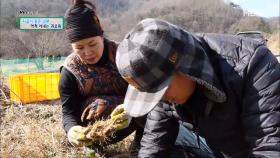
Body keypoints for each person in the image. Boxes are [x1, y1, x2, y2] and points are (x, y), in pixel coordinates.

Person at [112, 18, 280, 157]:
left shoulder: (254, 65)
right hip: (214, 145)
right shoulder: (162, 82)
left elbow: (270, 147)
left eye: (160, 91)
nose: (161, 99)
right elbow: (155, 141)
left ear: (184, 67)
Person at [59, 0, 131, 147]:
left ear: (101, 36)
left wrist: (131, 109)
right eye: (79, 47)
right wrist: (72, 130)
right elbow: (69, 112)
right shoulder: (70, 71)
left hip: (133, 113)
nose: (87, 52)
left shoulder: (124, 54)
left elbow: (145, 89)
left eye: (92, 44)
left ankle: (140, 143)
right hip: (95, 129)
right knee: (99, 107)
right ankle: (95, 147)